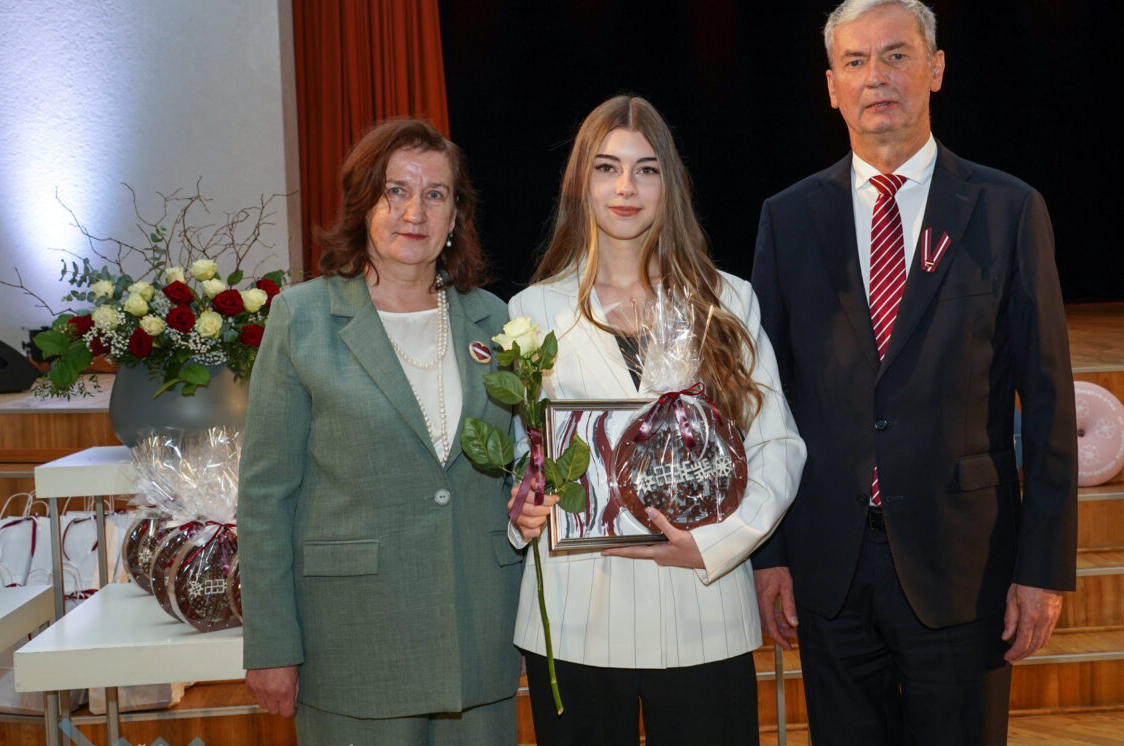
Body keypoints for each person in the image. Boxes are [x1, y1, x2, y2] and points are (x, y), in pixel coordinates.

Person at [749, 1, 1078, 744]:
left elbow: (1049, 403)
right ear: (831, 86)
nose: (877, 77)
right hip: (828, 568)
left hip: (965, 565)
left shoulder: (1008, 210)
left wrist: (1044, 568)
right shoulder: (788, 218)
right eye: (856, 61)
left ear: (935, 69)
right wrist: (768, 555)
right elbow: (763, 401)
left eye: (896, 55)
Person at [507, 95, 806, 745]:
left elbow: (778, 444)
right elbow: (524, 457)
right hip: (577, 616)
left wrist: (719, 542)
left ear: (670, 185)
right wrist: (524, 504)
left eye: (646, 169)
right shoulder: (532, 311)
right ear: (580, 183)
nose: (626, 187)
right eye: (607, 168)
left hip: (702, 606)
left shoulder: (727, 301)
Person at [236, 118, 521, 745]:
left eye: (435, 194)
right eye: (396, 191)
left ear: (456, 216)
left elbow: (520, 467)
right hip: (352, 644)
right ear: (364, 202)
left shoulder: (497, 322)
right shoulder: (302, 319)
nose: (414, 212)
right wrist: (271, 644)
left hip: (479, 636)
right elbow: (265, 497)